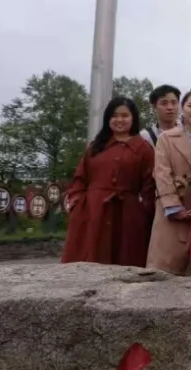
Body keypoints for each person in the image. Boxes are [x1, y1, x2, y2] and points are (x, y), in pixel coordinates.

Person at [62, 97, 155, 267]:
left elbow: (149, 185)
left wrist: (143, 211)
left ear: (133, 118)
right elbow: (80, 178)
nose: (119, 120)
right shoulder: (95, 147)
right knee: (89, 258)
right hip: (92, 211)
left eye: (125, 115)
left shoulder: (144, 149)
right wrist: (76, 201)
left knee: (125, 260)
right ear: (107, 119)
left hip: (128, 214)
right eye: (114, 115)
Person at [147, 88, 191, 275]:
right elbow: (162, 174)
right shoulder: (166, 138)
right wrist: (173, 206)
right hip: (173, 207)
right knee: (165, 267)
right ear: (183, 108)